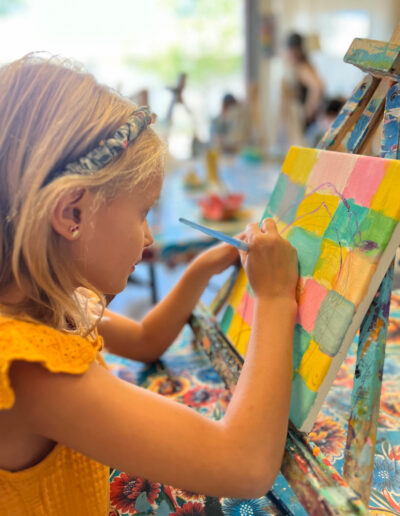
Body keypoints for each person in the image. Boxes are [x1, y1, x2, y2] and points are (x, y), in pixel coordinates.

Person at [0, 54, 298, 515]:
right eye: (143, 213)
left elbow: (144, 340)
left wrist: (202, 267)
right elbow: (245, 465)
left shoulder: (46, 300)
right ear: (72, 214)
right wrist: (276, 298)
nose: (149, 237)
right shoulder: (28, 365)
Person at [280, 32, 324, 147]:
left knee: (300, 145)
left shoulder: (302, 67)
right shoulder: (298, 66)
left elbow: (317, 86)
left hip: (299, 113)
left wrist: (309, 108)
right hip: (296, 114)